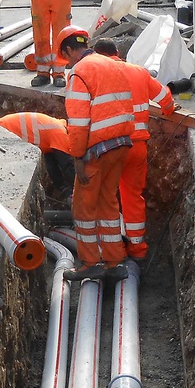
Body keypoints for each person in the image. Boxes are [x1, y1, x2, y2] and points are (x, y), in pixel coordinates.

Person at [56, 25, 134, 282]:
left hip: (96, 149)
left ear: (69, 50)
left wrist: (77, 158)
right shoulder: (113, 64)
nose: (67, 63)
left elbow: (78, 122)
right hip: (121, 144)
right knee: (108, 204)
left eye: (65, 57)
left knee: (83, 208)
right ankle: (113, 262)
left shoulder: (79, 73)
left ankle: (90, 263)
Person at [93, 38, 178, 263]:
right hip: (137, 147)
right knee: (132, 196)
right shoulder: (139, 72)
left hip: (109, 148)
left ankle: (112, 250)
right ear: (118, 52)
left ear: (96, 56)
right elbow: (164, 98)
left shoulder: (97, 74)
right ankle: (138, 249)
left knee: (107, 198)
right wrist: (169, 110)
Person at [0, 112, 74, 201]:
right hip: (4, 130)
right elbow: (67, 166)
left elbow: (52, 167)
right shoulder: (60, 134)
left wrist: (64, 190)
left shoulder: (55, 130)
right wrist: (80, 189)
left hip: (5, 127)